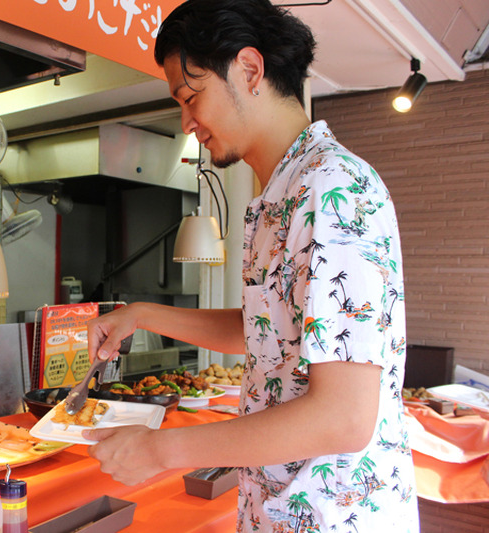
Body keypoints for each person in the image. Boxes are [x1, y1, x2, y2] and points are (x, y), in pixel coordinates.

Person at [82, 0, 419, 531]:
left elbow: (345, 417)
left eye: (191, 97)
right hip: (273, 506)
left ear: (250, 69)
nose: (188, 122)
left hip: (334, 516)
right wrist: (140, 314)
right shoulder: (276, 197)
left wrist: (163, 450)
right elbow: (267, 333)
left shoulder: (334, 187)